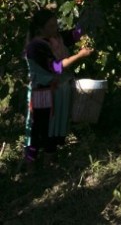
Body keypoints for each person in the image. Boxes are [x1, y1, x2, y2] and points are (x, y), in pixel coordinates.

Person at [23, 9, 94, 169]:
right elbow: (55, 67)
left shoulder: (56, 39)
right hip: (41, 93)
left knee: (54, 125)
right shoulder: (35, 47)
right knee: (38, 127)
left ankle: (49, 160)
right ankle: (30, 163)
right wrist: (79, 56)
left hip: (57, 90)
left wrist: (89, 11)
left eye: (56, 24)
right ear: (40, 28)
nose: (56, 27)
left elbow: (75, 34)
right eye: (51, 25)